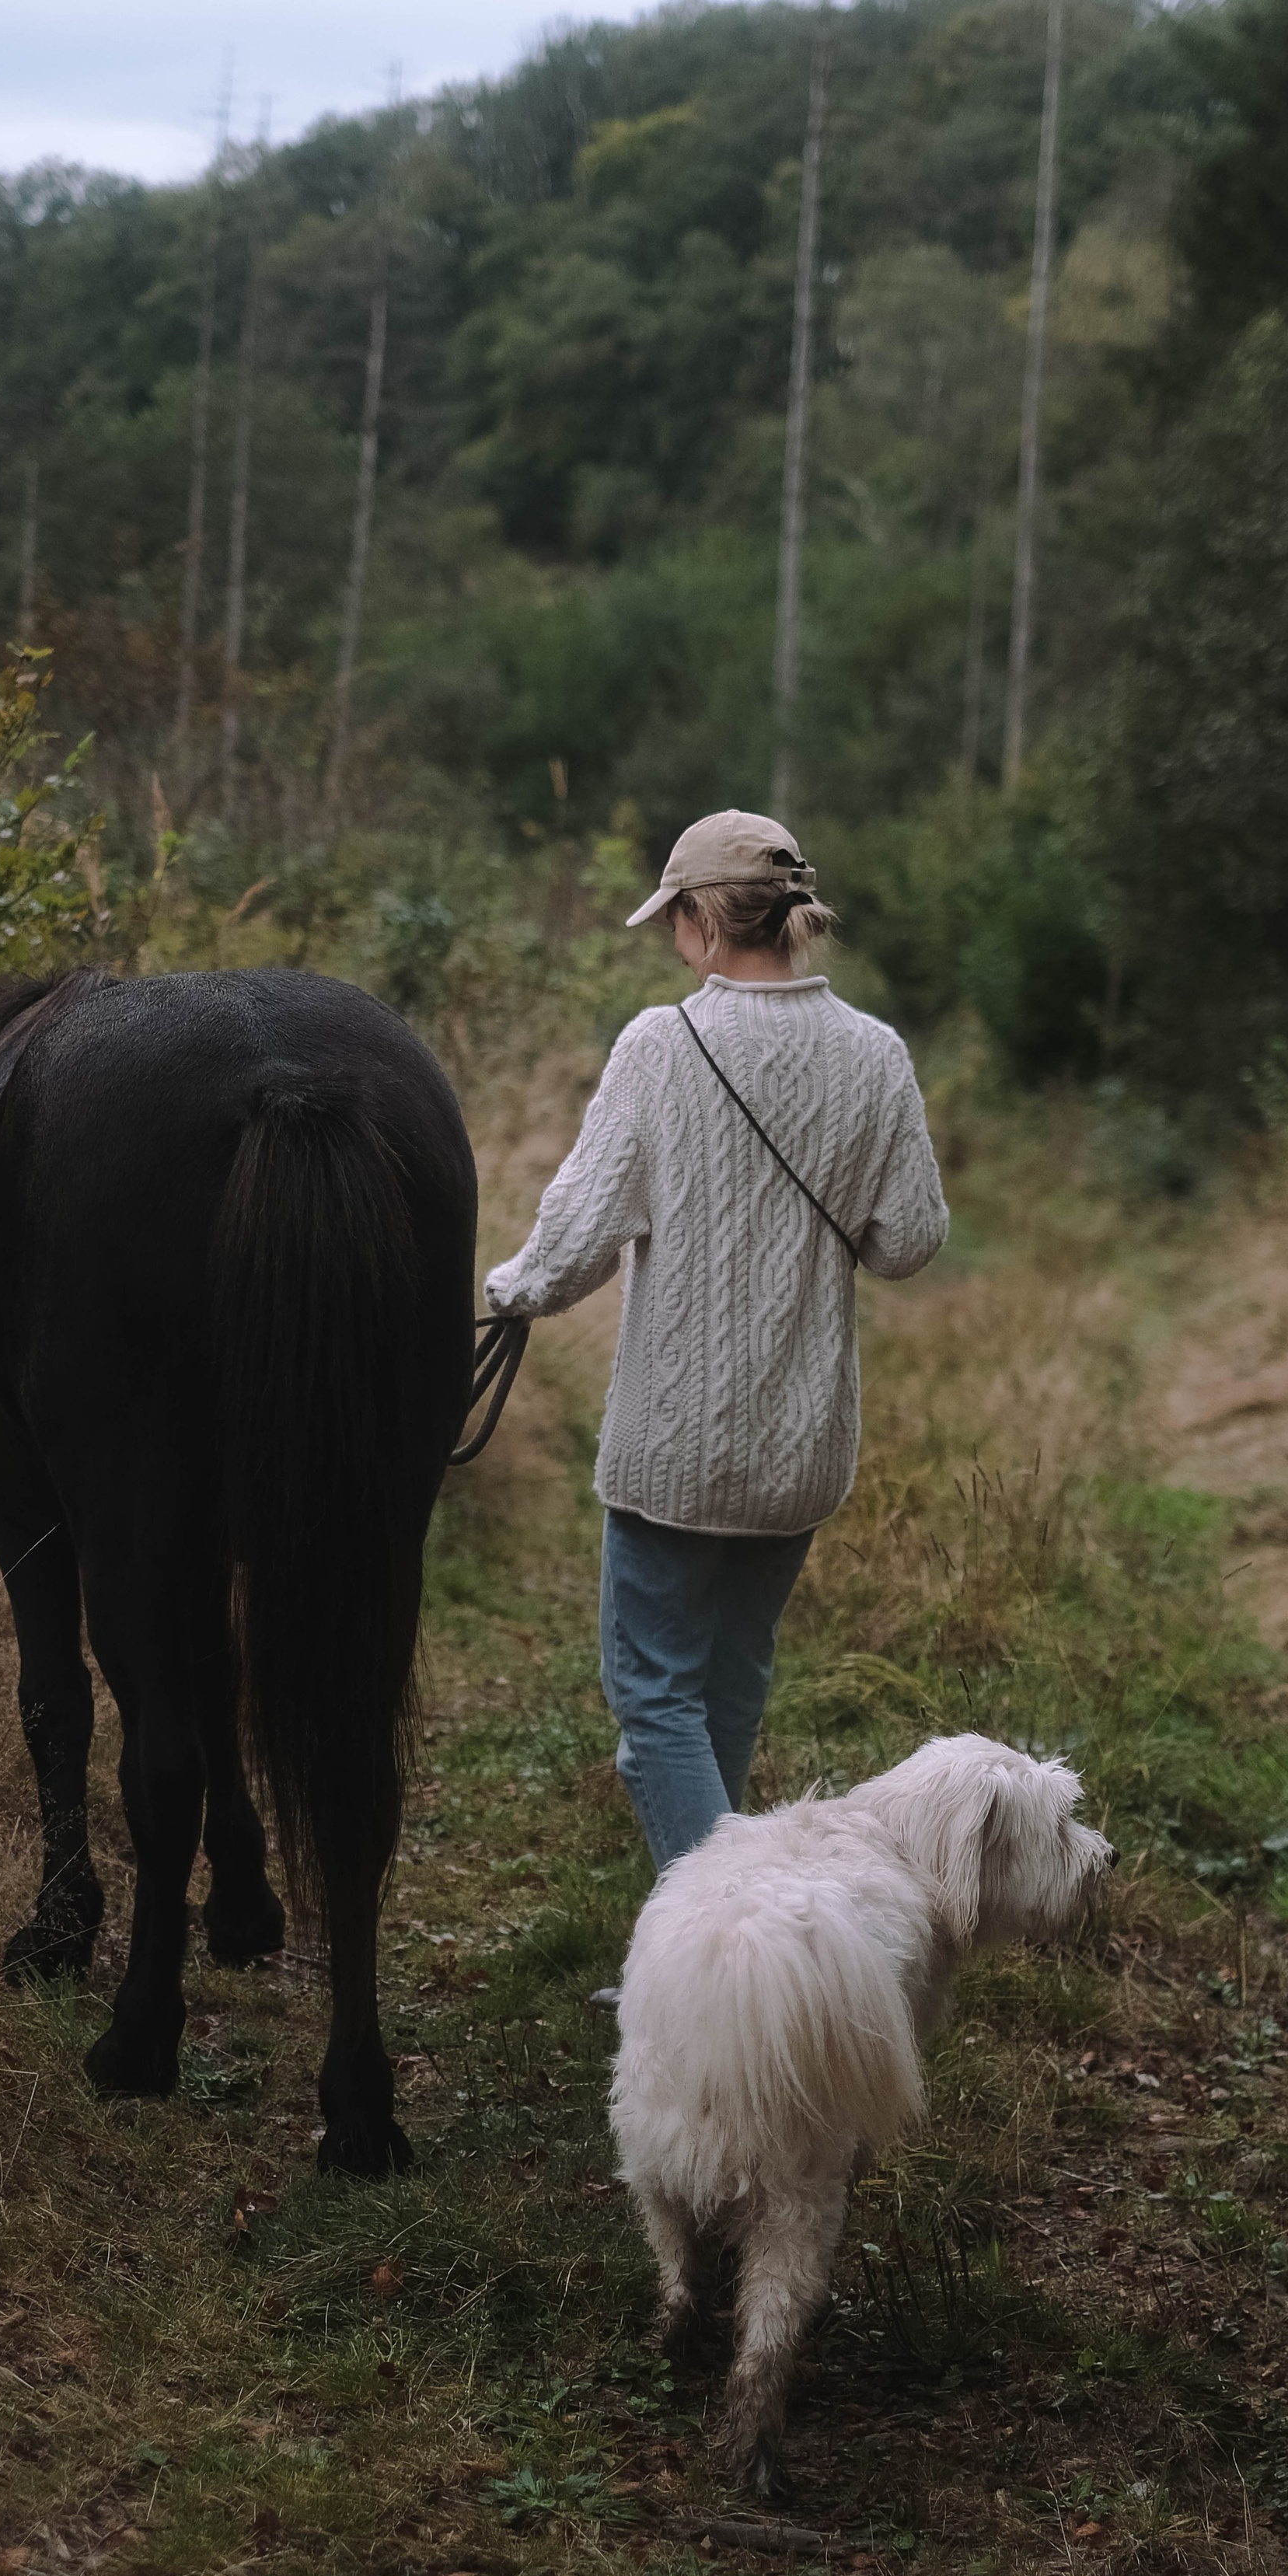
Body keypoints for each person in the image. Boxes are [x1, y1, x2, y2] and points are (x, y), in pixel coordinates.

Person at [483, 809, 950, 1890]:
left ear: (701, 919)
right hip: (799, 1451)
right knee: (730, 1689)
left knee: (655, 1701)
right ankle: (732, 1933)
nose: (671, 941)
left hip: (674, 1450)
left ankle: (731, 1935)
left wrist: (509, 1293)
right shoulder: (876, 1055)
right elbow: (910, 1243)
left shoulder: (661, 1047)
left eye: (672, 921)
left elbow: (576, 1238)